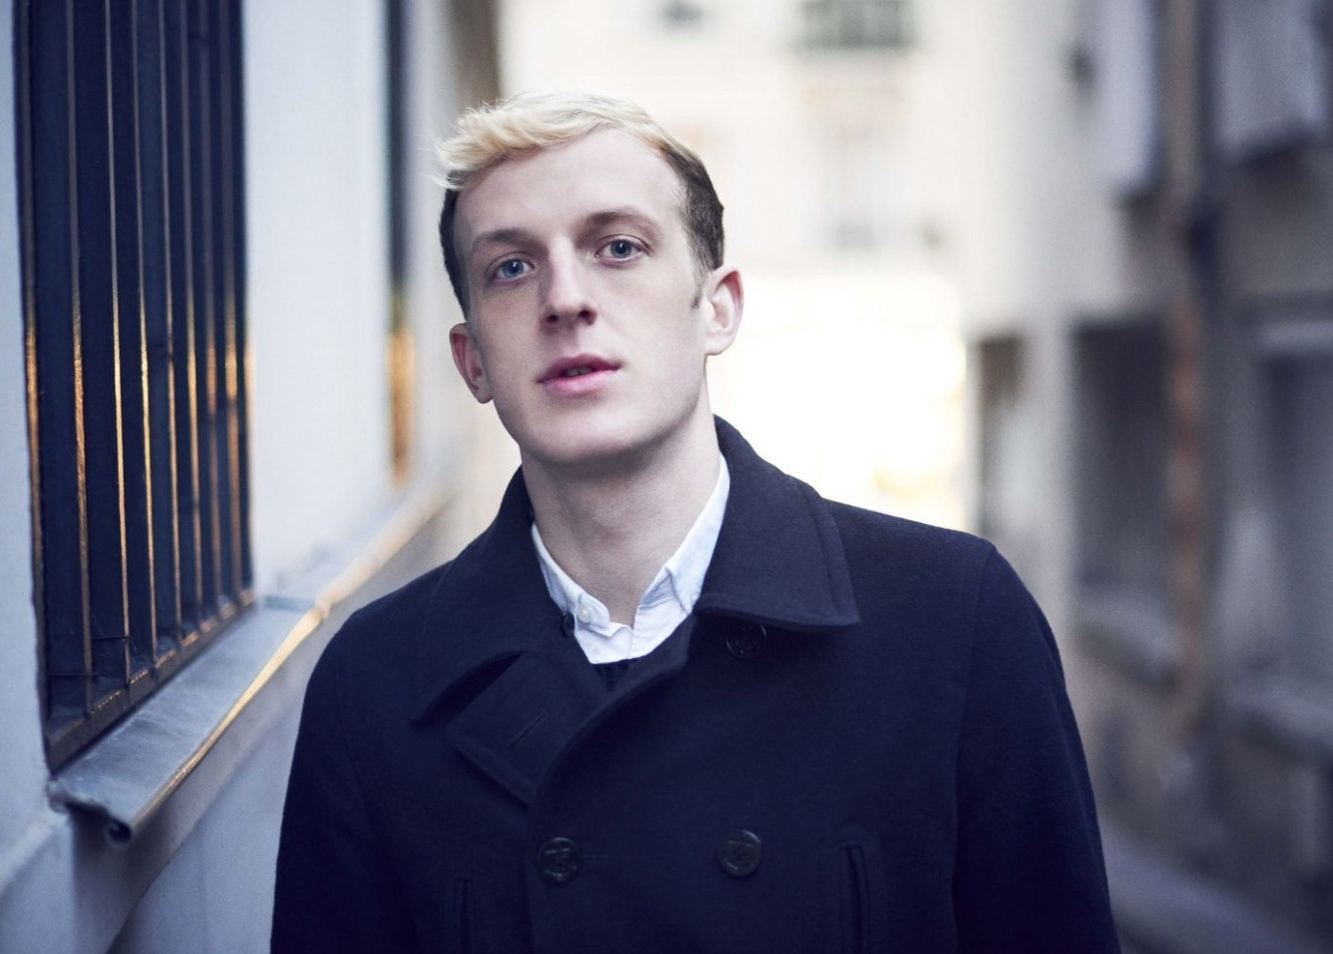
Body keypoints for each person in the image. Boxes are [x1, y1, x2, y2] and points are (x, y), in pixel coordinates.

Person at [273, 92, 1119, 953]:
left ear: (718, 308)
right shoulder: (374, 684)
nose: (565, 298)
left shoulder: (953, 620)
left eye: (618, 247)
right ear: (472, 361)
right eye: (512, 267)